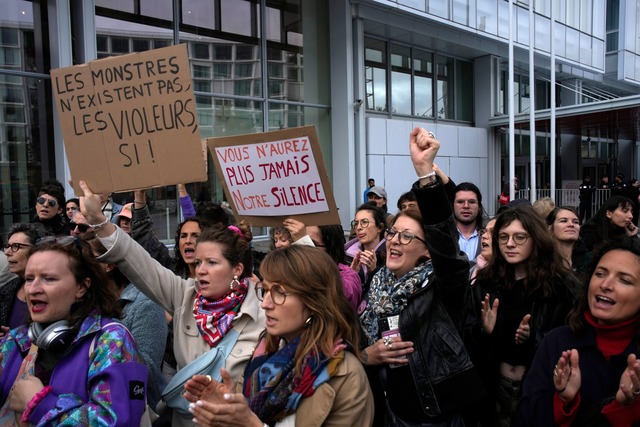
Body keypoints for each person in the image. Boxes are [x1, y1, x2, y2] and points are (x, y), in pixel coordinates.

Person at [77, 180, 265, 427]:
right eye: (198, 263)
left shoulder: (263, 314)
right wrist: (98, 219)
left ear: (236, 269)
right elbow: (135, 258)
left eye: (212, 263)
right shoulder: (184, 295)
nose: (202, 271)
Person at [359, 127, 484, 425]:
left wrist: (425, 173)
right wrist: (367, 356)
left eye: (407, 236)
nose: (395, 241)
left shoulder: (443, 288)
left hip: (431, 417)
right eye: (393, 233)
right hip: (384, 412)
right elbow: (356, 345)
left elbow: (446, 245)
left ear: (428, 251)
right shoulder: (375, 284)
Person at [184, 244, 375, 426]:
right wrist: (226, 412)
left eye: (279, 292)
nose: (265, 303)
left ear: (314, 301)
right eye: (265, 290)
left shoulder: (346, 376)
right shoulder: (265, 352)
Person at [0, 236, 149, 425]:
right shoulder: (15, 340)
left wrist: (39, 404)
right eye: (29, 279)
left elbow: (117, 421)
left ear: (81, 287)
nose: (32, 289)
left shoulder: (112, 341)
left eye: (49, 278)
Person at [466, 204, 577, 427]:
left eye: (519, 237)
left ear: (536, 239)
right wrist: (483, 331)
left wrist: (534, 336)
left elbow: (571, 336)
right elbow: (467, 337)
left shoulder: (560, 286)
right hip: (493, 389)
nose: (509, 244)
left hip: (539, 388)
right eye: (503, 237)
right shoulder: (485, 282)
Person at [515, 238, 640, 426]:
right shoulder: (557, 342)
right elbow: (525, 417)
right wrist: (564, 403)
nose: (605, 284)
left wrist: (628, 409)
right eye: (600, 273)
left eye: (624, 280)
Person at [87, 237, 168, 413]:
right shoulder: (88, 304)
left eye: (89, 258)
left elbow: (148, 371)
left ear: (108, 265)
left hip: (138, 409)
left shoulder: (145, 304)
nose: (81, 266)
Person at [0, 223, 50, 340]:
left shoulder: (55, 292)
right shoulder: (7, 290)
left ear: (37, 249)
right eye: (8, 246)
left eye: (16, 246)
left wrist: (17, 339)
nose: (7, 252)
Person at [345, 203, 387, 300]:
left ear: (379, 228)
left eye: (364, 222)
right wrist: (352, 276)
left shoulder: (390, 255)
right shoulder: (347, 254)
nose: (358, 228)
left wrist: (373, 272)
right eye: (356, 223)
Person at [546, 206, 587, 273]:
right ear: (550, 228)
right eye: (564, 221)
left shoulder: (590, 261)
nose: (571, 225)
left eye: (576, 222)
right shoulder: (540, 262)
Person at [452, 182, 484, 263]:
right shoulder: (444, 236)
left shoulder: (489, 237)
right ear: (452, 206)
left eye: (472, 202)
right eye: (460, 202)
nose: (466, 206)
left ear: (479, 206)